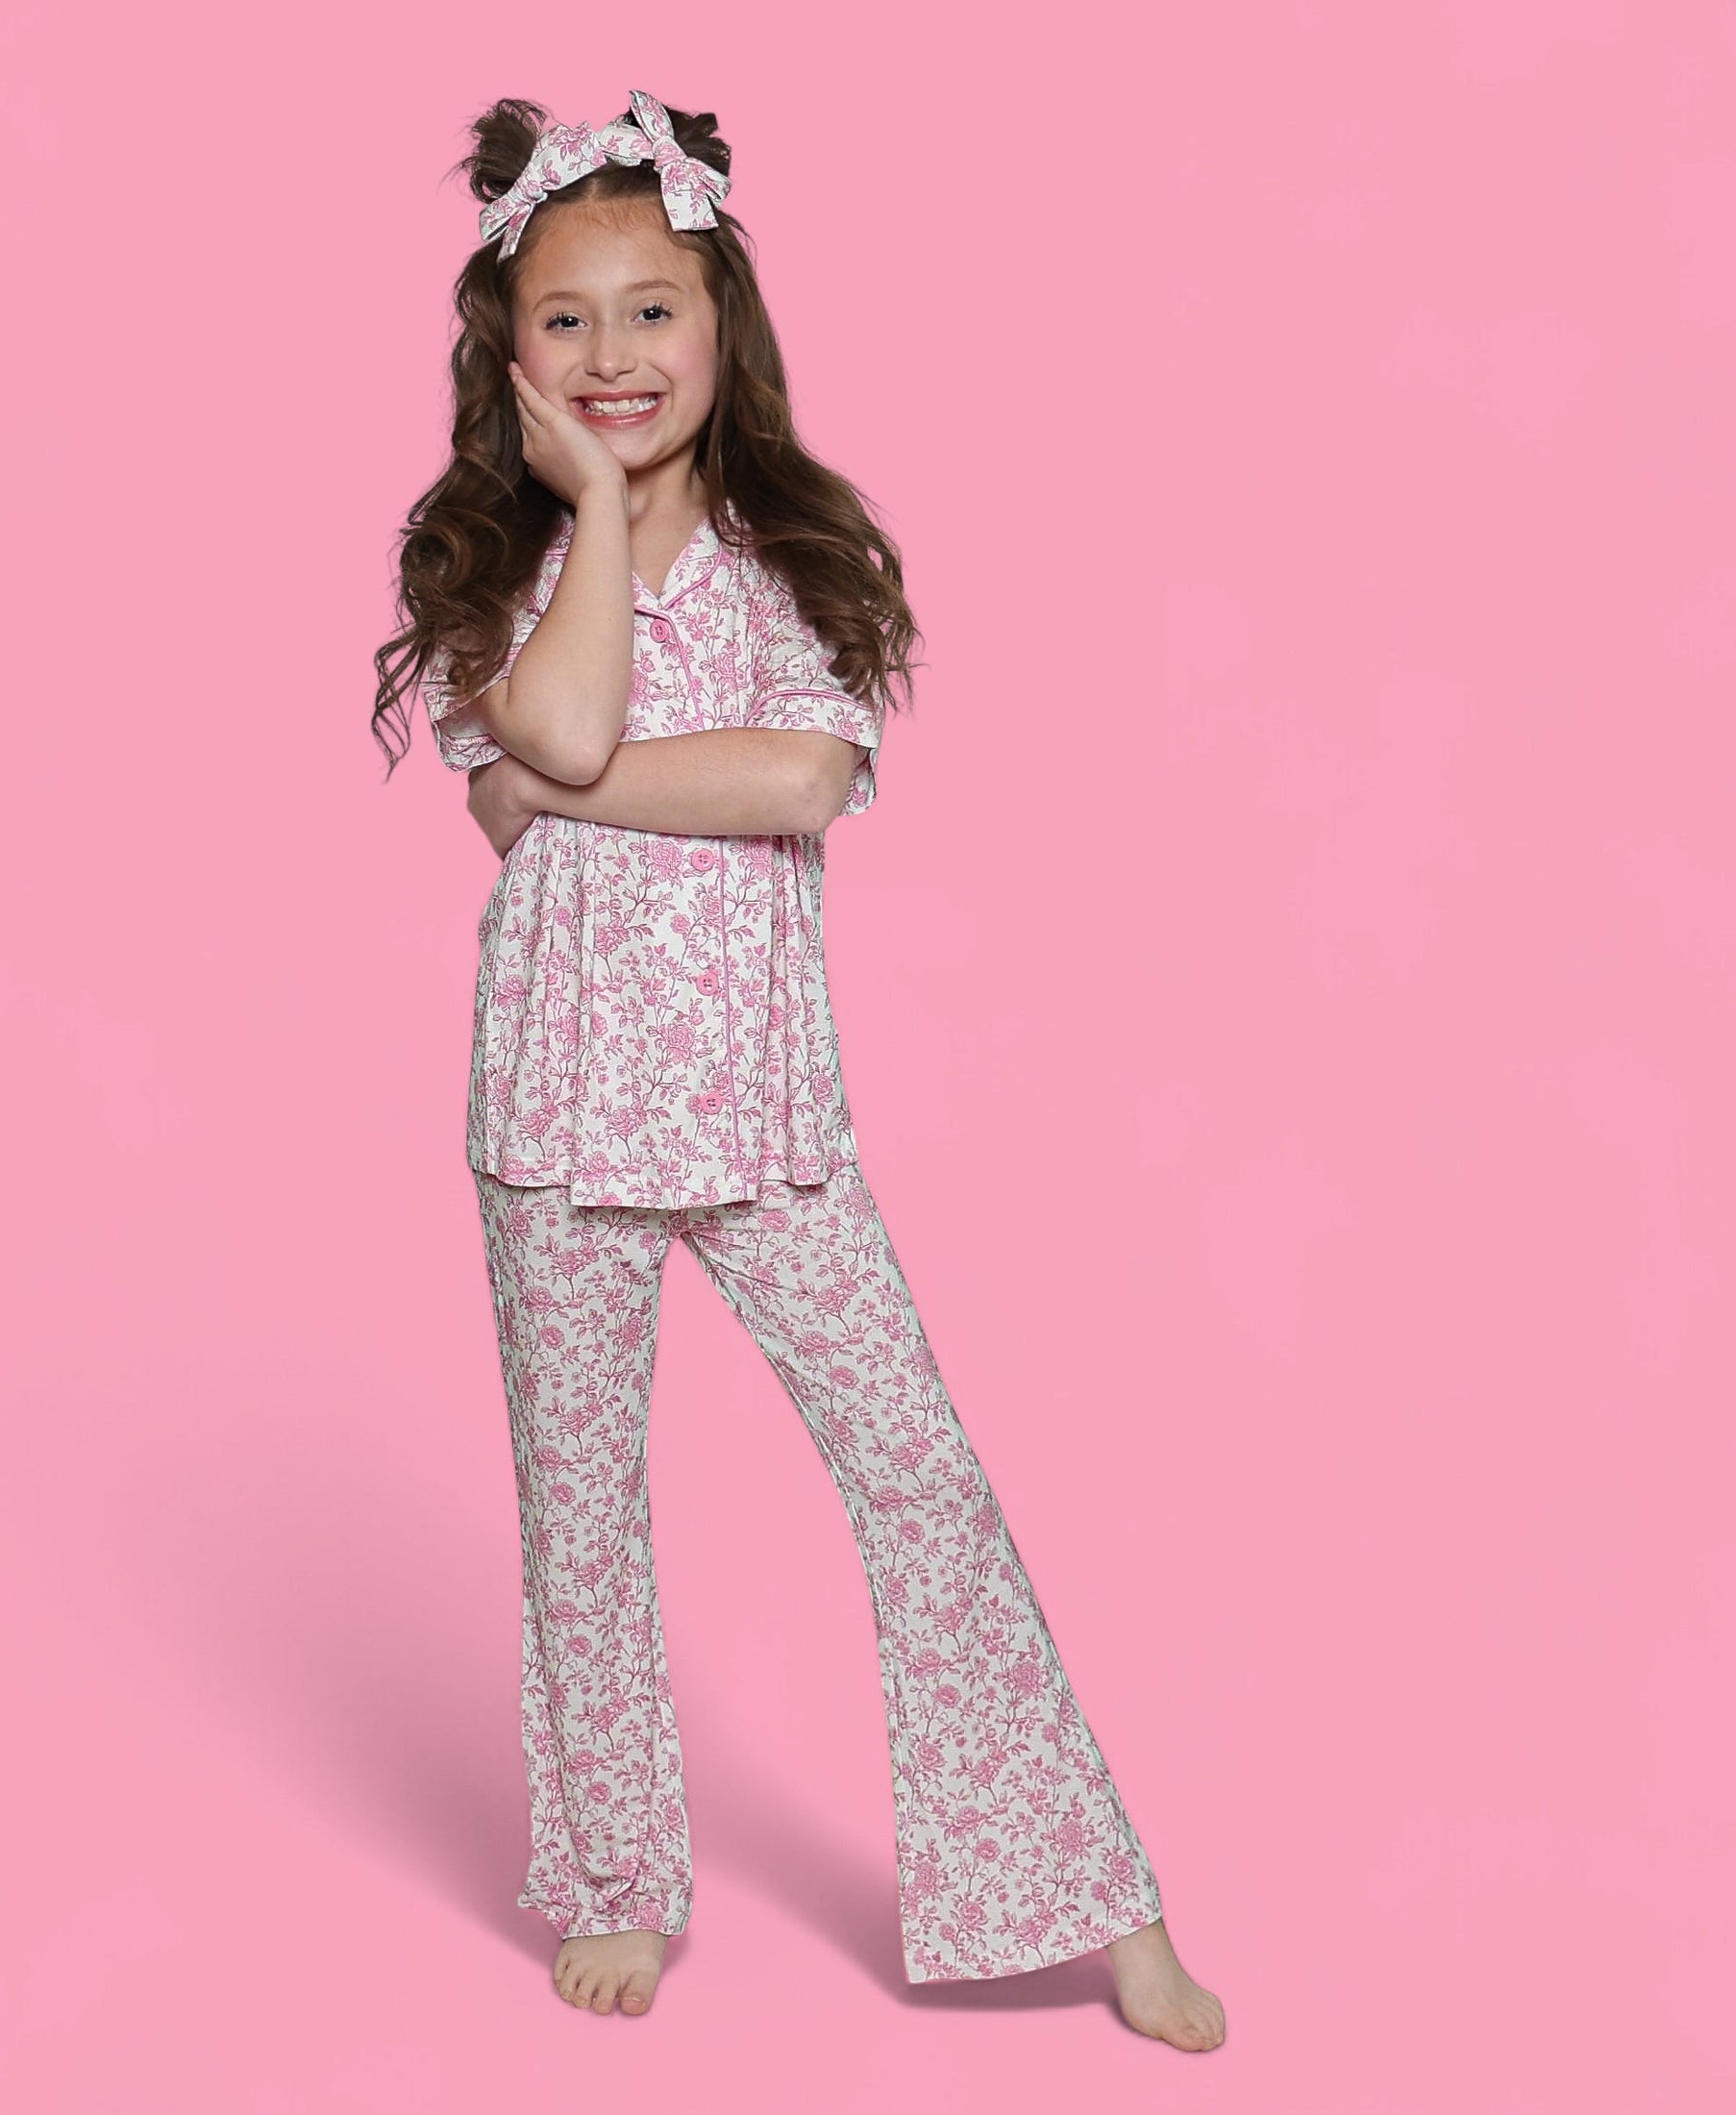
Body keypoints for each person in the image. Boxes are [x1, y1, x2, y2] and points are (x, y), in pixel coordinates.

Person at [370, 89, 1225, 2052]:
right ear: (513, 360)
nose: (613, 354)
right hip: (552, 1116)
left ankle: (1094, 1897)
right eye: (567, 320)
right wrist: (592, 526)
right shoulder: (492, 566)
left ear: (720, 325)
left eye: (650, 310)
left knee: (924, 1482)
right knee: (580, 1522)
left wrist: (563, 788)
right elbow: (549, 734)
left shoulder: (793, 562)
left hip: (763, 1119)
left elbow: (792, 774)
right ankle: (617, 1877)